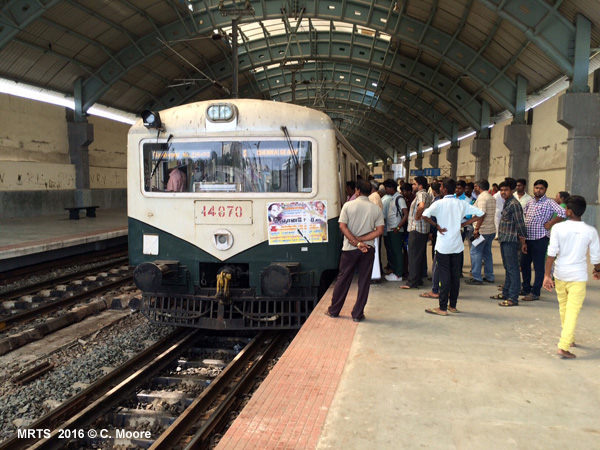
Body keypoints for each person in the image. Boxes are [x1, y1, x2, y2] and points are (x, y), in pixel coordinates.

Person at [542, 196, 600, 358]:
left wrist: (547, 275)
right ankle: (564, 345)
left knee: (564, 308)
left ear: (569, 211)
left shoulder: (558, 229)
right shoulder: (591, 231)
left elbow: (551, 253)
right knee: (573, 311)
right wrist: (597, 270)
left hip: (560, 274)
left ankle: (570, 338)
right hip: (578, 277)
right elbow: (596, 258)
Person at [421, 178, 485, 315]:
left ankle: (442, 307)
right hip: (457, 245)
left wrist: (436, 225)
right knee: (455, 275)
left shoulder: (439, 203)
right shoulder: (461, 203)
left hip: (443, 245)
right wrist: (463, 224)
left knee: (444, 275)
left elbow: (424, 215)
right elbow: (480, 214)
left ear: (443, 189)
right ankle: (453, 305)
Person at [325, 179, 384, 322]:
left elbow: (342, 227)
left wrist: (356, 242)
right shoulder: (376, 208)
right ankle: (357, 314)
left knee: (343, 279)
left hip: (349, 249)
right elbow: (379, 231)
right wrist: (362, 241)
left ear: (357, 191)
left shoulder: (348, 206)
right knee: (364, 282)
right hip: (368, 250)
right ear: (370, 192)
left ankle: (334, 310)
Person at [521, 179, 566, 301]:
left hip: (540, 238)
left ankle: (535, 292)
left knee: (538, 266)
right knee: (524, 264)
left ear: (545, 190)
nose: (538, 190)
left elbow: (564, 213)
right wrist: (523, 239)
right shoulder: (530, 202)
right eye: (536, 188)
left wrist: (551, 223)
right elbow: (525, 216)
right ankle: (525, 288)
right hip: (528, 238)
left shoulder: (549, 203)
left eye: (541, 188)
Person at [492, 178, 527, 307]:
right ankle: (506, 292)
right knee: (507, 268)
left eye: (506, 190)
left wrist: (523, 241)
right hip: (504, 239)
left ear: (512, 190)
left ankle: (513, 297)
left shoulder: (514, 204)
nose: (503, 192)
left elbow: (520, 224)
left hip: (511, 241)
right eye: (501, 190)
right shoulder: (507, 203)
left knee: (513, 269)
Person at [400, 176, 432, 289]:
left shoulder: (421, 194)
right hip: (423, 229)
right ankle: (418, 279)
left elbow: (421, 206)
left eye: (414, 184)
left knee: (413, 255)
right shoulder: (427, 194)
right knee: (419, 255)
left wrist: (417, 216)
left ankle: (412, 282)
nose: (413, 186)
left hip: (417, 229)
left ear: (420, 186)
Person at [465, 179, 497, 285]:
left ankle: (477, 277)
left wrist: (477, 229)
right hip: (490, 230)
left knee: (475, 252)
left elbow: (481, 214)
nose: (474, 188)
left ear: (478, 187)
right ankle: (489, 276)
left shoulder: (482, 198)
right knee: (487, 253)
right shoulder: (491, 197)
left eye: (475, 186)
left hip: (482, 231)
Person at [382, 179, 408, 282]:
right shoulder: (393, 198)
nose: (386, 190)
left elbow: (405, 214)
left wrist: (398, 227)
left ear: (391, 188)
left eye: (387, 188)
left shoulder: (399, 198)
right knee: (394, 251)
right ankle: (396, 271)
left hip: (396, 230)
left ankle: (398, 274)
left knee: (397, 251)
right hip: (392, 228)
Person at [420, 182, 441, 300]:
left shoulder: (437, 202)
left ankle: (435, 288)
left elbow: (429, 216)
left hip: (439, 234)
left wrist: (432, 230)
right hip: (450, 236)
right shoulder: (455, 202)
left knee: (437, 260)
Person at [368, 181, 384, 281]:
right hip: (376, 227)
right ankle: (375, 273)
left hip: (374, 228)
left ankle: (375, 275)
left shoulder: (374, 196)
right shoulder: (376, 196)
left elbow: (374, 212)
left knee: (374, 252)